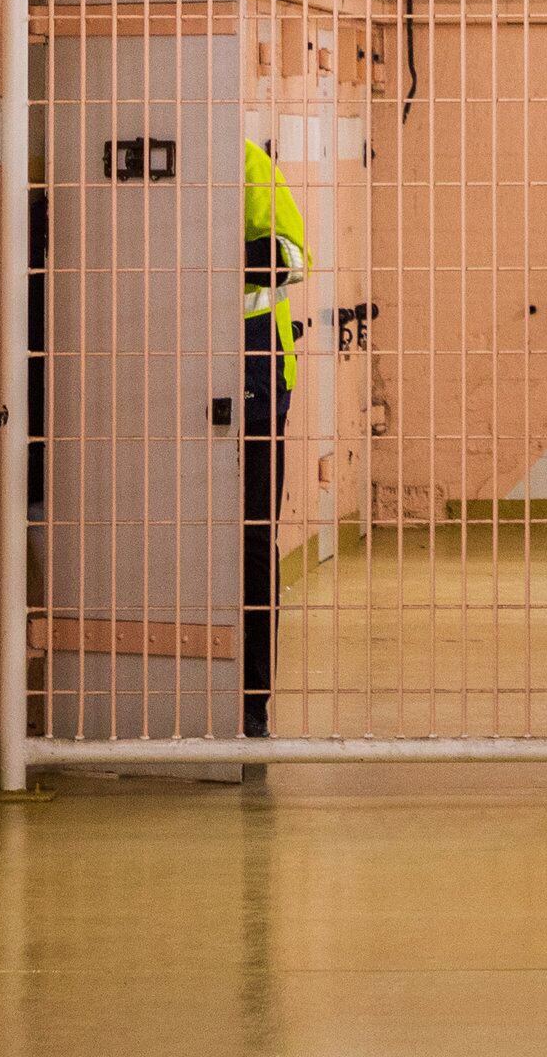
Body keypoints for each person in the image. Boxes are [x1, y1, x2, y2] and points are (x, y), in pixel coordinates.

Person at [241, 136, 309, 738]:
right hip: (166, 377)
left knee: (253, 541)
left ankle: (250, 702)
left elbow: (292, 255)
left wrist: (230, 256)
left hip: (257, 376)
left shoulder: (246, 162)